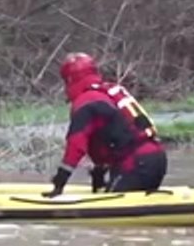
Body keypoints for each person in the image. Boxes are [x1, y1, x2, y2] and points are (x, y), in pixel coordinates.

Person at [42, 52, 167, 198]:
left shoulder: (86, 102)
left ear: (70, 79)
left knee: (113, 205)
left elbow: (76, 146)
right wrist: (99, 172)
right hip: (156, 157)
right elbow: (113, 134)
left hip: (135, 163)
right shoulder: (110, 91)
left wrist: (60, 182)